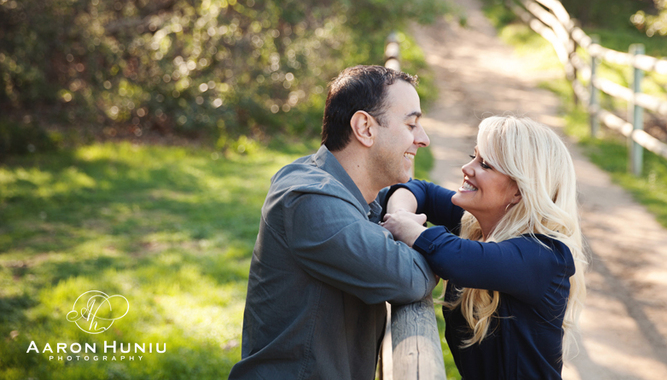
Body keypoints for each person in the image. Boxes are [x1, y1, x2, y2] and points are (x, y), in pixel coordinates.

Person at [228, 65, 437, 380]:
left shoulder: (349, 189)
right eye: (411, 125)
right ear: (365, 128)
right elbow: (410, 277)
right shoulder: (310, 201)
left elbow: (418, 195)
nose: (423, 139)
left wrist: (404, 220)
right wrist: (424, 240)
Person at [381, 115, 587, 380]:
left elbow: (457, 259)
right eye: (474, 156)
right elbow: (419, 190)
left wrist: (410, 230)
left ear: (518, 191)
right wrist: (400, 216)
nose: (467, 168)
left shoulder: (544, 256)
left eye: (485, 165)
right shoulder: (477, 224)